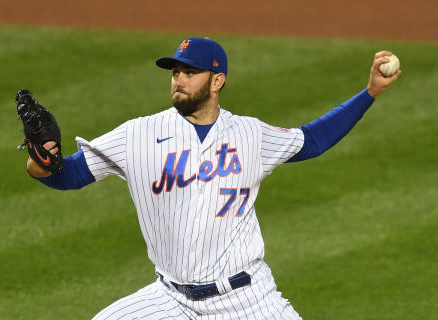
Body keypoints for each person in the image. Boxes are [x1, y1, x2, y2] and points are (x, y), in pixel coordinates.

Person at [26, 37, 400, 319]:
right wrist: (41, 161)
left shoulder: (250, 135)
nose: (179, 80)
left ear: (217, 80)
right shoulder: (137, 134)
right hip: (172, 300)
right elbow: (68, 174)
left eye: (190, 72)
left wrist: (370, 93)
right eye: (175, 72)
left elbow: (313, 139)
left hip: (248, 300)